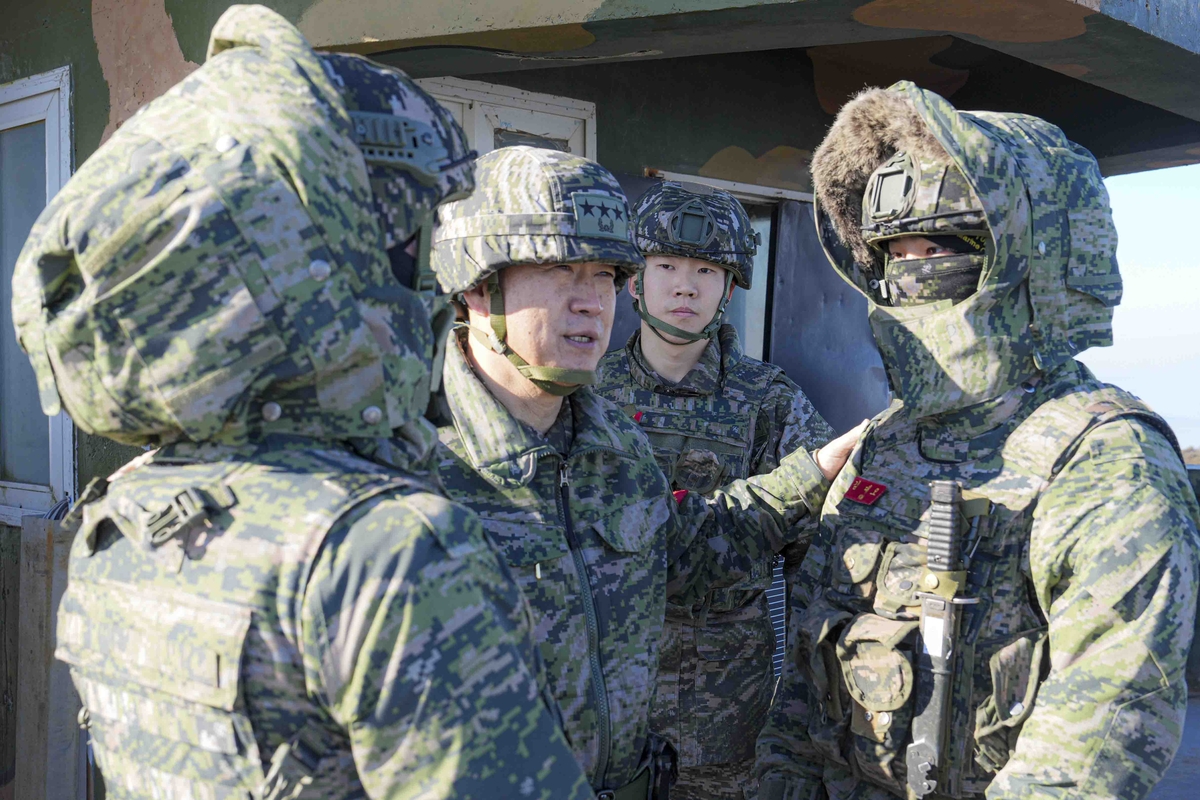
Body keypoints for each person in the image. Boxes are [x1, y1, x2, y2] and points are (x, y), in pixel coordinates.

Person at [12, 7, 592, 798]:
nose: (426, 283)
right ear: (332, 262)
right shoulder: (387, 552)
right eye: (409, 243)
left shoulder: (124, 516)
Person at [754, 81, 1200, 800]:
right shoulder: (889, 442)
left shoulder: (1106, 461)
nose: (910, 272)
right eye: (894, 251)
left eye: (939, 246)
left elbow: (1098, 741)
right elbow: (807, 692)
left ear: (1025, 257)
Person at [429, 145, 863, 800]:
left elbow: (681, 549)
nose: (589, 301)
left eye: (601, 274)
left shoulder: (615, 451)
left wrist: (815, 472)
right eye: (557, 268)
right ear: (476, 284)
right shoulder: (403, 467)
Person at [594, 181, 835, 800]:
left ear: (730, 287)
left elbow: (822, 560)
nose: (684, 286)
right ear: (632, 279)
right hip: (607, 719)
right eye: (666, 265)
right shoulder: (587, 397)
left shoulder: (769, 402)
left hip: (731, 728)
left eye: (706, 269)